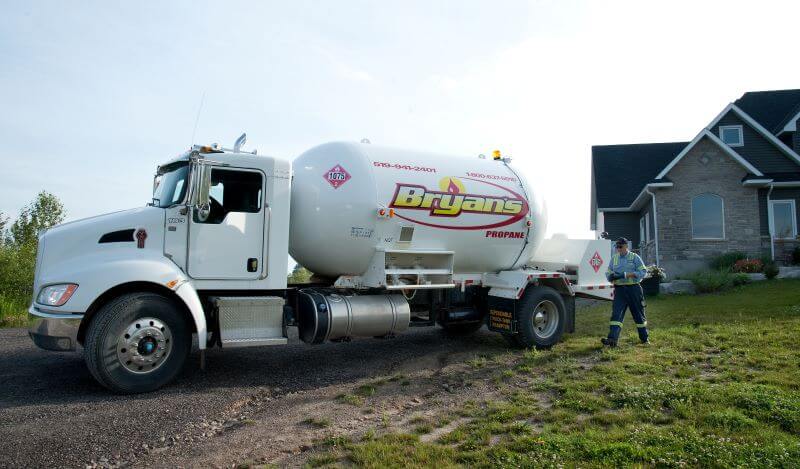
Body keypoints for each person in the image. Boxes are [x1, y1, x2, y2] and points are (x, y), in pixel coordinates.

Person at [601, 237, 649, 347]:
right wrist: (611, 277)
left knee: (639, 315)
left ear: (626, 246)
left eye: (620, 247)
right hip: (620, 291)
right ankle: (612, 340)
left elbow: (643, 272)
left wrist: (626, 275)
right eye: (617, 247)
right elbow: (608, 273)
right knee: (616, 315)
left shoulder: (634, 257)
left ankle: (644, 339)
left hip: (634, 289)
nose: (618, 249)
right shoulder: (614, 258)